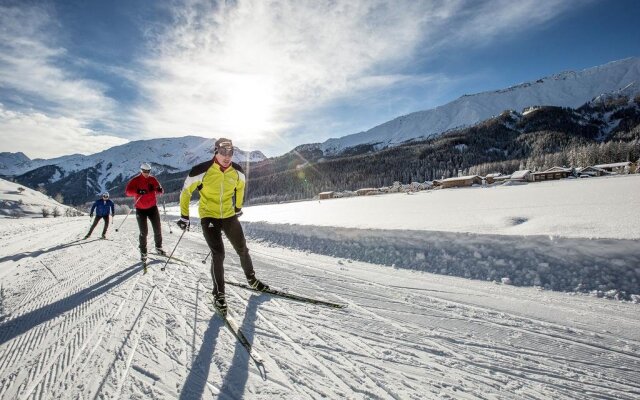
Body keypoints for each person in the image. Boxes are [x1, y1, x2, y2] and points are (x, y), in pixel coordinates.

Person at [177, 138, 267, 315]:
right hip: (208, 215)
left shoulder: (237, 171)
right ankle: (218, 295)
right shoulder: (201, 170)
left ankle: (252, 279)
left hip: (228, 214)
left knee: (242, 249)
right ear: (215, 152)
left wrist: (238, 207)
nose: (227, 157)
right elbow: (186, 192)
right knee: (219, 254)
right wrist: (184, 216)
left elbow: (240, 187)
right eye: (223, 152)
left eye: (231, 153)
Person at [125, 162, 166, 260]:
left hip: (152, 208)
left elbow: (160, 190)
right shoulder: (135, 180)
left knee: (157, 229)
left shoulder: (153, 179)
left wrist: (159, 190)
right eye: (144, 171)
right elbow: (127, 192)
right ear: (141, 170)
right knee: (144, 232)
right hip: (140, 210)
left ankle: (158, 247)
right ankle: (143, 251)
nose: (146, 173)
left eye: (148, 171)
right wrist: (137, 191)